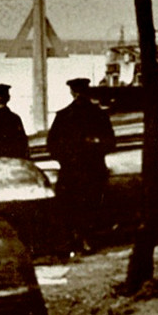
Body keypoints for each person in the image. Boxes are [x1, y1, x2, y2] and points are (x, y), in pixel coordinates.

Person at [47, 77, 116, 254]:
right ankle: (81, 240)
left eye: (79, 92)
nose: (79, 95)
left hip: (77, 169)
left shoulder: (64, 115)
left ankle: (81, 240)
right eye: (79, 92)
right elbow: (110, 142)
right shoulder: (97, 114)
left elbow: (52, 146)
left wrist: (67, 156)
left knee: (81, 207)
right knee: (83, 206)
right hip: (84, 169)